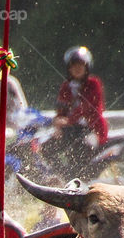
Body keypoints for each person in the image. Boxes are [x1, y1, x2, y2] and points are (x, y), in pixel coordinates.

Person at [46, 46, 109, 178]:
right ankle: (67, 177)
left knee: (83, 147)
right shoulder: (66, 86)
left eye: (81, 65)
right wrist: (57, 123)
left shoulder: (94, 84)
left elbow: (89, 108)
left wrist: (69, 120)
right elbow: (61, 109)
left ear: (87, 67)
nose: (77, 68)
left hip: (92, 129)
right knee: (48, 148)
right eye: (74, 65)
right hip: (72, 130)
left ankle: (83, 178)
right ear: (69, 68)